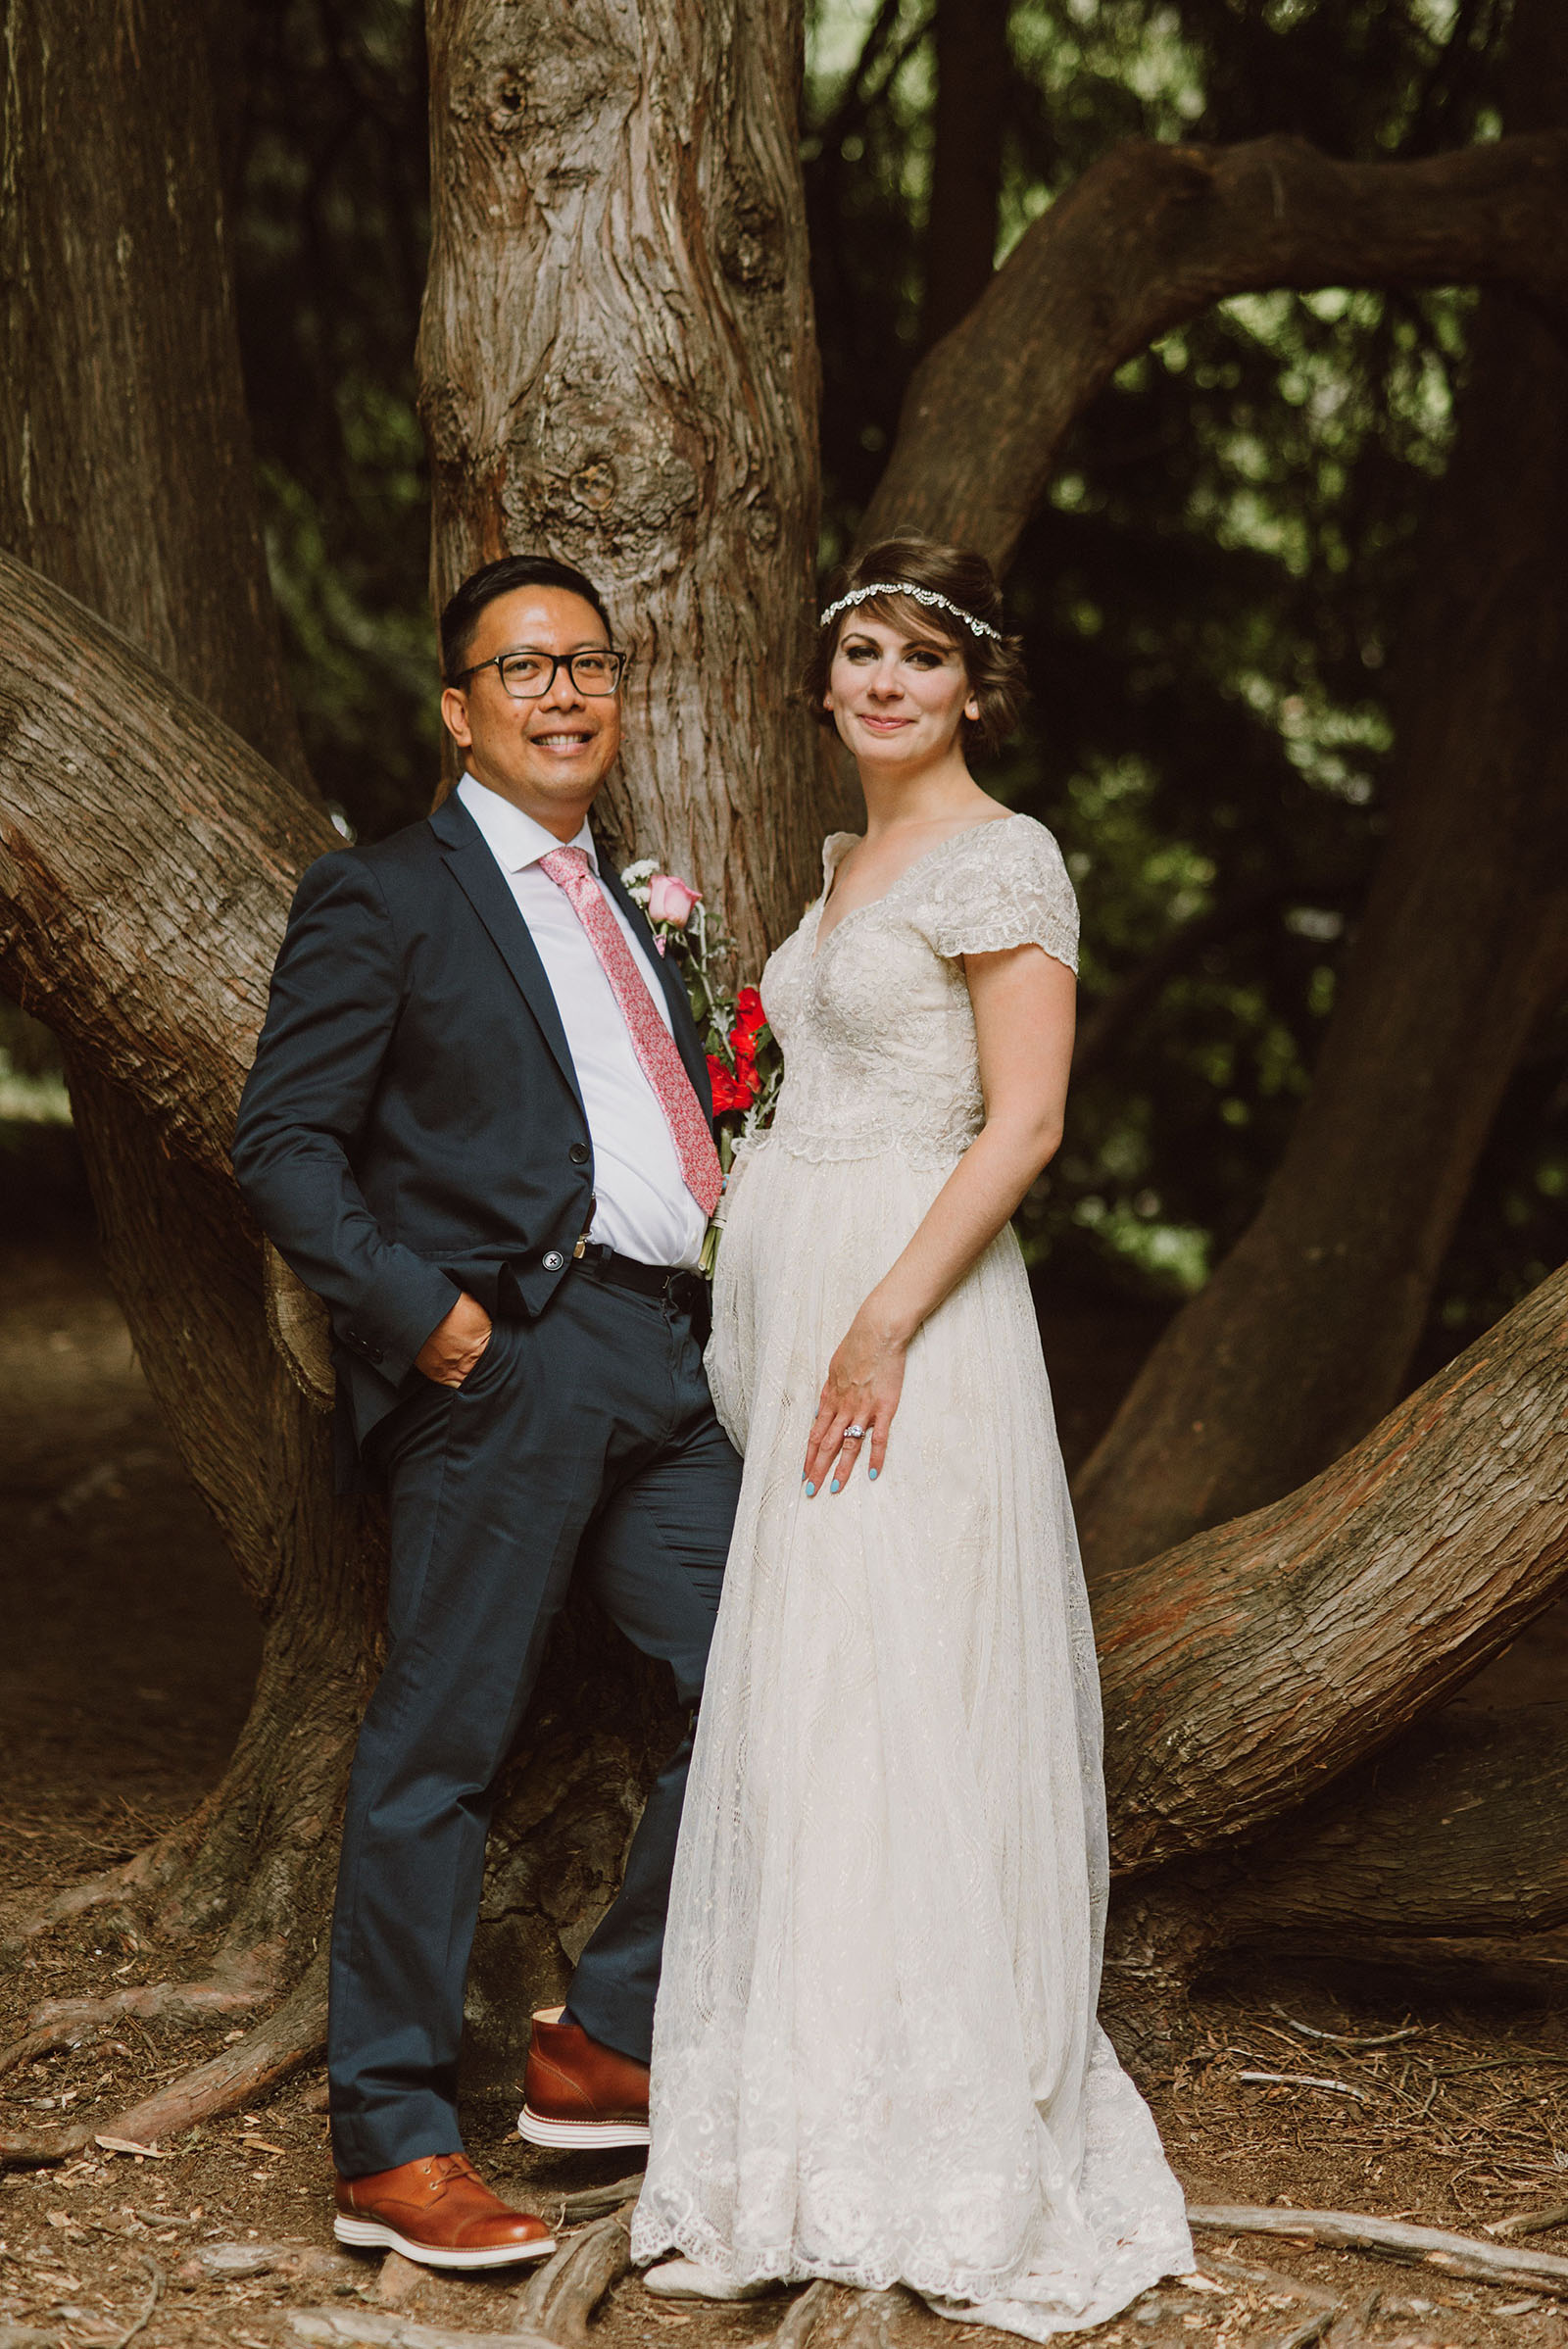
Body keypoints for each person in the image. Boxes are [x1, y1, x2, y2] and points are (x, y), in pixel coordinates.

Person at [632, 537, 1194, 2334]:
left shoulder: (1004, 856)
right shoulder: (845, 864)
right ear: (826, 680)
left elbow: (1022, 1124)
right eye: (860, 651)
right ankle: (797, 2111)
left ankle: (923, 2130)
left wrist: (878, 1317)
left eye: (921, 659)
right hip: (805, 1309)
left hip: (913, 1329)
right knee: (812, 1692)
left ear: (975, 688)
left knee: (898, 1682)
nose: (884, 681)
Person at [232, 554, 742, 2271]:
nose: (561, 692)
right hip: (510, 1356)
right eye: (521, 668)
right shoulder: (386, 894)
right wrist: (431, 1322)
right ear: (458, 709)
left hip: (675, 1365)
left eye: (587, 663)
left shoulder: (638, 911)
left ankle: (607, 2037)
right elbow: (283, 1145)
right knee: (440, 1746)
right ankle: (388, 2141)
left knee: (770, 1672)